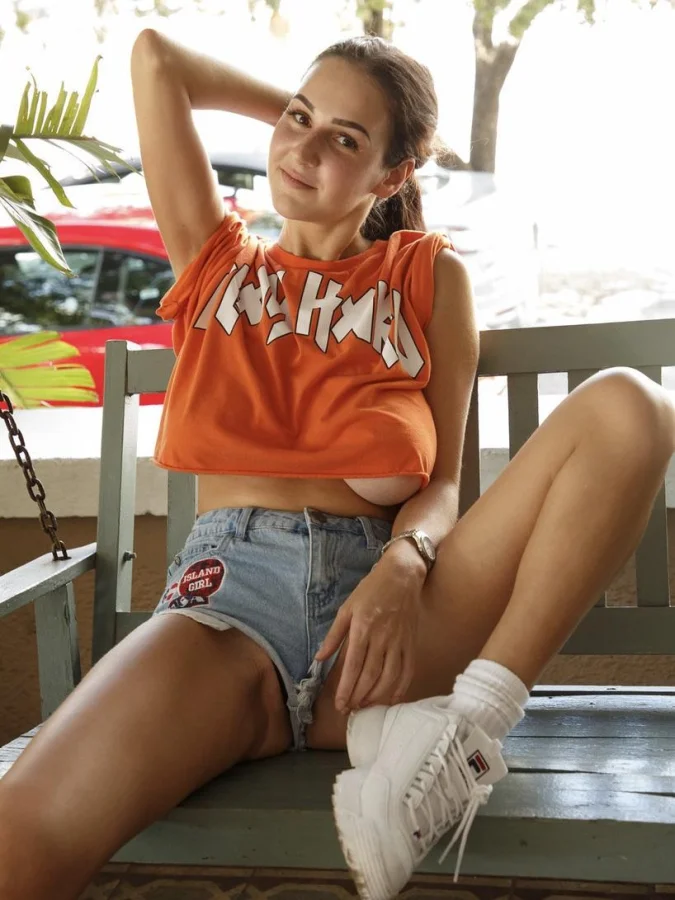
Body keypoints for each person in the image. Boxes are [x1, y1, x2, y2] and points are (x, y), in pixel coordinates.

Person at [0, 28, 673, 900]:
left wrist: (404, 560)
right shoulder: (216, 260)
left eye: (345, 141)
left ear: (393, 176)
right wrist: (316, 116)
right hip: (227, 603)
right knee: (21, 835)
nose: (304, 150)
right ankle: (394, 732)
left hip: (396, 621)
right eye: (298, 120)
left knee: (632, 405)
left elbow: (439, 485)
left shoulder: (426, 276)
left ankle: (461, 736)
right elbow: (157, 60)